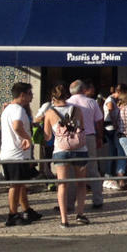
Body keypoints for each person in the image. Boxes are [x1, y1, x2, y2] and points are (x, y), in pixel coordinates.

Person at [45, 84, 89, 227]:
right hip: (80, 149)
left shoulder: (49, 113)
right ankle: (80, 214)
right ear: (67, 96)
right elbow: (82, 128)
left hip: (61, 150)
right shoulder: (77, 110)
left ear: (53, 98)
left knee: (62, 185)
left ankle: (64, 220)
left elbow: (47, 136)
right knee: (81, 183)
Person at [0, 82, 39, 227]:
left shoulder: (8, 109)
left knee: (20, 184)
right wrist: (27, 138)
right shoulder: (18, 109)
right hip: (16, 154)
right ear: (22, 95)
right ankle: (12, 215)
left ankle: (26, 209)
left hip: (12, 153)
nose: (32, 96)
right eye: (30, 93)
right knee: (15, 185)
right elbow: (16, 126)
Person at [67, 79, 104, 209]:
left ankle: (69, 203)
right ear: (83, 89)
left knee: (71, 171)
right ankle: (97, 199)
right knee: (93, 168)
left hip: (71, 138)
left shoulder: (66, 103)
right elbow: (99, 121)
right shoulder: (92, 102)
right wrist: (100, 137)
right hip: (89, 137)